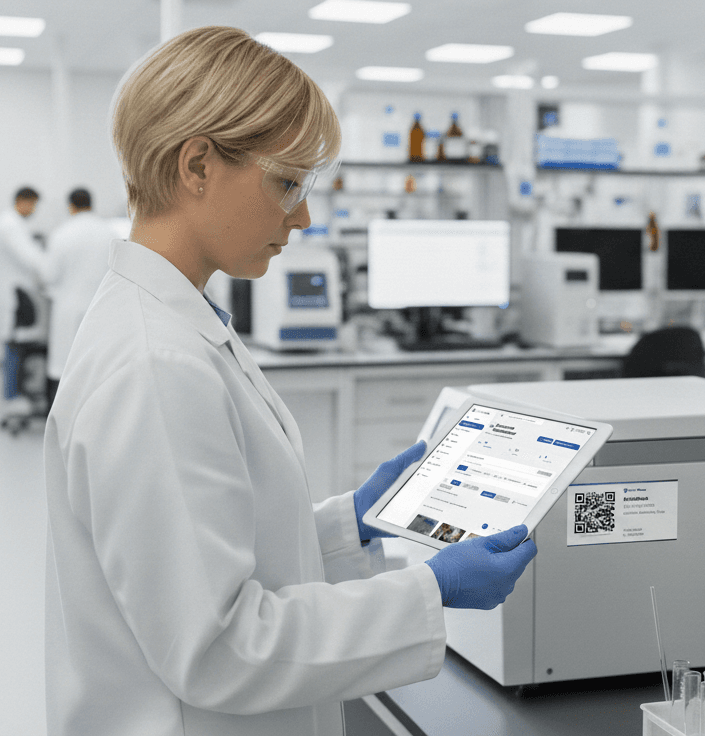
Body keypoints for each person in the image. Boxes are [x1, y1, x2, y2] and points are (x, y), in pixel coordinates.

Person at [44, 26, 537, 736]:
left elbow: (198, 557)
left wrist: (346, 527)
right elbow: (218, 648)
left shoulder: (172, 324)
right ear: (197, 165)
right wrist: (430, 588)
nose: (302, 216)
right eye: (285, 183)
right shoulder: (156, 365)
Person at [41, 188, 116, 408]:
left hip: (68, 309)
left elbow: (49, 275)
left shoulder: (62, 233)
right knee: (99, 367)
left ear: (70, 206)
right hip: (102, 308)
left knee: (65, 368)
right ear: (91, 204)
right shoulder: (109, 232)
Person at [0, 187, 45, 357]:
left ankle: (11, 383)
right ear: (21, 201)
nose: (34, 209)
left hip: (16, 290)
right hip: (12, 291)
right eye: (33, 204)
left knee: (14, 341)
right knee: (12, 343)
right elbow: (31, 257)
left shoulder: (14, 223)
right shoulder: (10, 224)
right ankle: (11, 384)